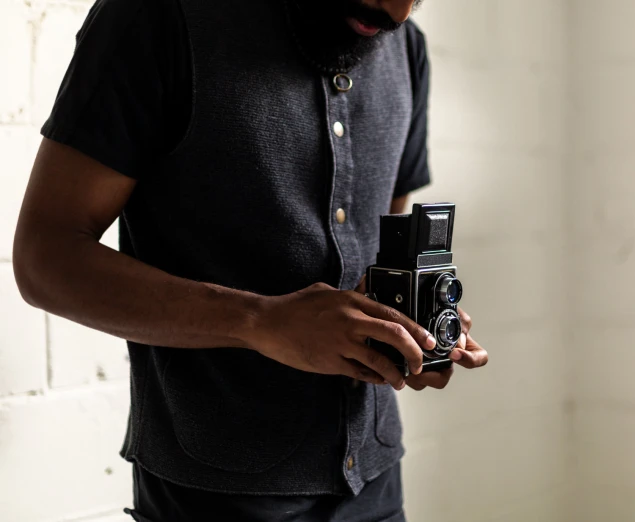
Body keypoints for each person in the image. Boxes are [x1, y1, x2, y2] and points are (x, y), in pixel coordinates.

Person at [13, 0, 489, 519]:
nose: (398, 11)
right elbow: (44, 259)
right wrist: (257, 320)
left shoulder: (408, 47)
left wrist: (409, 330)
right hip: (214, 496)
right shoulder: (156, 16)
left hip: (376, 486)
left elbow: (377, 263)